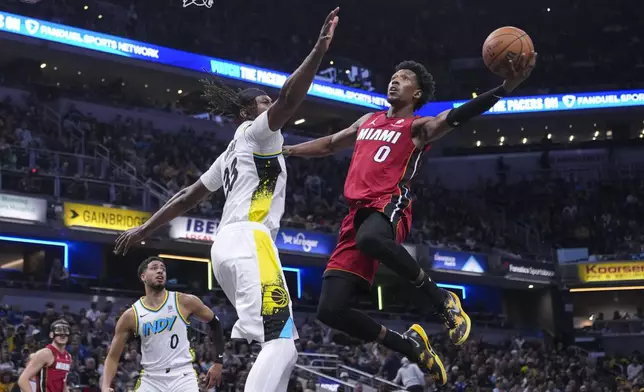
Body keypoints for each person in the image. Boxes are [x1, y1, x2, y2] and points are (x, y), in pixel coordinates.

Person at [113, 8, 340, 392]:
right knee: (281, 343)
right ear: (245, 113)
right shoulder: (256, 133)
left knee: (285, 348)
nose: (270, 108)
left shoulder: (229, 153)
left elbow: (187, 196)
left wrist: (145, 228)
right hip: (252, 241)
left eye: (269, 103)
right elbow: (289, 98)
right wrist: (319, 50)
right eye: (262, 103)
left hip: (226, 249)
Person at [284, 53, 538, 385]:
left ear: (416, 94)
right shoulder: (367, 121)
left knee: (372, 239)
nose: (394, 80)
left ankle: (442, 299)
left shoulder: (418, 127)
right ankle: (410, 345)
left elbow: (457, 115)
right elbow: (331, 144)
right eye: (394, 75)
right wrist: (288, 150)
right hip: (355, 214)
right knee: (330, 310)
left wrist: (504, 88)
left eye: (403, 78)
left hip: (390, 202)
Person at [100, 257, 224, 392]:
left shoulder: (183, 301)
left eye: (163, 269)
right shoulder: (131, 315)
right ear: (143, 277)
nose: (160, 271)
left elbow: (215, 323)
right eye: (154, 268)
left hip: (182, 376)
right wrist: (105, 386)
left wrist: (218, 362)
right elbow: (112, 356)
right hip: (151, 379)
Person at [17, 319, 72, 392]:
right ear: (51, 334)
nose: (63, 334)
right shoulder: (45, 354)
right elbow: (22, 380)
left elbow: (63, 383)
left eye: (65, 331)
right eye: (59, 331)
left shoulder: (68, 356)